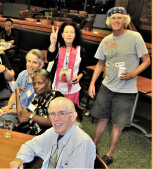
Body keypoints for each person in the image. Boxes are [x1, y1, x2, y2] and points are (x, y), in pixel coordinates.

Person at [88, 7, 150, 165]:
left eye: (119, 17)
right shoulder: (106, 40)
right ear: (109, 21)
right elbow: (100, 63)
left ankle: (109, 154)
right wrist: (92, 83)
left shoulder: (135, 37)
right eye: (113, 18)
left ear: (125, 20)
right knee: (101, 119)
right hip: (107, 88)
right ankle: (93, 145)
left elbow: (147, 60)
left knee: (117, 124)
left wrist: (133, 73)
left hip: (126, 91)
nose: (116, 20)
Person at [9, 97, 96, 169]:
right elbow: (30, 146)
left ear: (73, 117)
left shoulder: (83, 144)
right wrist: (20, 159)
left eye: (62, 113)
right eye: (52, 114)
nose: (56, 118)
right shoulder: (54, 132)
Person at [0, 49, 45, 128]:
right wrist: (8, 106)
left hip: (28, 117)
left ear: (41, 65)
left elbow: (29, 110)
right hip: (16, 110)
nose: (30, 65)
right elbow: (14, 94)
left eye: (34, 62)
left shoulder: (41, 83)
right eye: (29, 61)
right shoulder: (23, 74)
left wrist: (8, 111)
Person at [47, 22, 86, 106]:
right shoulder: (58, 47)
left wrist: (79, 77)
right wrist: (53, 43)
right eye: (66, 32)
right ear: (62, 34)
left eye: (72, 32)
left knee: (70, 114)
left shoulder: (81, 50)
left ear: (75, 35)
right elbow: (50, 58)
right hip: (57, 88)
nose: (69, 35)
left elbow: (83, 69)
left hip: (73, 88)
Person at [16, 69, 63, 135]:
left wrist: (31, 116)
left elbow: (53, 122)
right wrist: (17, 96)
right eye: (34, 84)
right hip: (32, 133)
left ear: (49, 83)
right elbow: (21, 118)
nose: (36, 87)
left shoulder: (56, 97)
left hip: (49, 136)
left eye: (40, 83)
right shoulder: (37, 99)